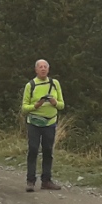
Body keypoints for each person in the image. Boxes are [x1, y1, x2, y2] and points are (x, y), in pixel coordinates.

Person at [21, 59, 64, 191]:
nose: (43, 69)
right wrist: (36, 105)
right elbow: (24, 108)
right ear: (36, 70)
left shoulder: (55, 83)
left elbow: (62, 105)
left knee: (47, 151)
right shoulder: (31, 85)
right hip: (34, 123)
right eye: (40, 67)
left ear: (48, 69)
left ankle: (46, 181)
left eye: (45, 67)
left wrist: (54, 102)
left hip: (50, 123)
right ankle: (30, 181)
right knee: (33, 150)